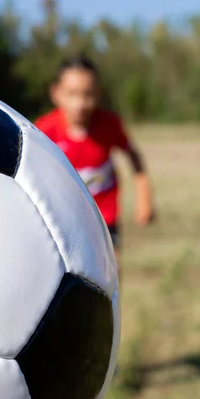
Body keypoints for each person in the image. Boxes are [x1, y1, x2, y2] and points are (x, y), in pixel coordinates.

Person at [34, 54, 155, 280]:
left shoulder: (109, 125)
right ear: (56, 93)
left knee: (111, 272)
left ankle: (110, 313)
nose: (80, 103)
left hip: (103, 216)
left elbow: (133, 155)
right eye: (71, 94)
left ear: (98, 94)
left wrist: (144, 194)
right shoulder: (44, 130)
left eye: (87, 95)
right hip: (63, 215)